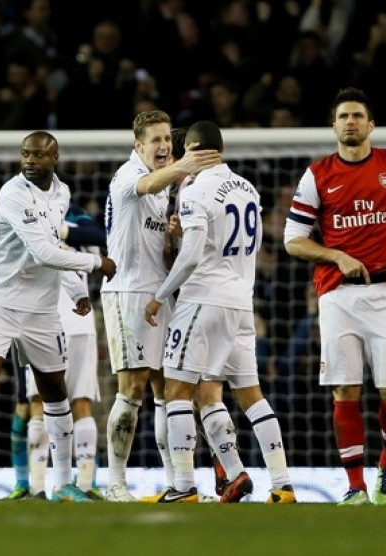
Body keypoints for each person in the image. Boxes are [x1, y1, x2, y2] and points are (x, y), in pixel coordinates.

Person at [284, 87, 386, 505]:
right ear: (333, 126)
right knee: (344, 391)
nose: (350, 122)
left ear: (370, 125)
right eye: (343, 117)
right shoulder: (317, 175)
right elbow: (292, 240)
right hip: (337, 298)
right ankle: (355, 486)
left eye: (357, 116)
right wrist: (335, 254)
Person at [0, 130, 116, 502]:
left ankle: (63, 484)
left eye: (39, 155)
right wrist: (96, 262)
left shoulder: (62, 194)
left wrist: (76, 290)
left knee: (56, 391)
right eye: (25, 154)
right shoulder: (12, 193)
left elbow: (55, 245)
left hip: (42, 306)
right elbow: (43, 251)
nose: (30, 160)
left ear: (54, 158)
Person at [143, 120, 295, 504]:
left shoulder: (194, 189)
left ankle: (182, 485)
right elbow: (250, 243)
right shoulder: (247, 187)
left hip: (202, 300)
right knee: (251, 396)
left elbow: (193, 256)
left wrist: (161, 294)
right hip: (241, 303)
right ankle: (282, 484)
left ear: (195, 150)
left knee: (177, 390)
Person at [100, 109, 221, 502]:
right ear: (138, 146)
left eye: (168, 139)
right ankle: (115, 482)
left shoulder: (166, 193)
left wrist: (175, 238)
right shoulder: (127, 176)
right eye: (156, 140)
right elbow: (148, 183)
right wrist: (185, 166)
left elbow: (164, 257)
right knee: (131, 388)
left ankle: (177, 483)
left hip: (159, 295)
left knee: (168, 390)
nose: (165, 145)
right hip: (128, 293)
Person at [8, 201, 107, 500]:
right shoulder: (85, 234)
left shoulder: (30, 226)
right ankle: (86, 484)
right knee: (81, 405)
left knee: (39, 403)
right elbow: (101, 236)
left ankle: (38, 487)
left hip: (43, 321)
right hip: (81, 323)